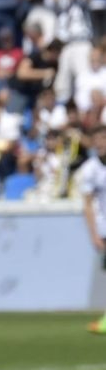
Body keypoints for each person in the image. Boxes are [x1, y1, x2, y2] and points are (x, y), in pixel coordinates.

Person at [79, 125, 106, 334]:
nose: (99, 143)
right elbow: (87, 204)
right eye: (95, 139)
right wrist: (94, 233)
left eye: (103, 138)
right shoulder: (90, 169)